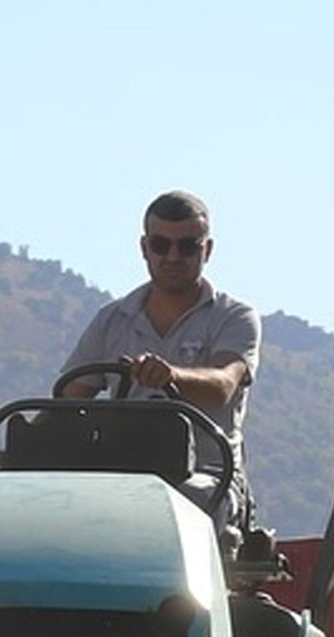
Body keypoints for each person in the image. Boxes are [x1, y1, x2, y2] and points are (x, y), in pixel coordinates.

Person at [58, 190, 261, 549]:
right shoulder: (112, 320)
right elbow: (68, 400)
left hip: (207, 475)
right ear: (144, 248)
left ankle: (180, 600)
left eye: (187, 246)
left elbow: (224, 384)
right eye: (160, 244)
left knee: (183, 508)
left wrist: (172, 377)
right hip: (122, 474)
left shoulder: (233, 317)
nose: (172, 257)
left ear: (207, 250)